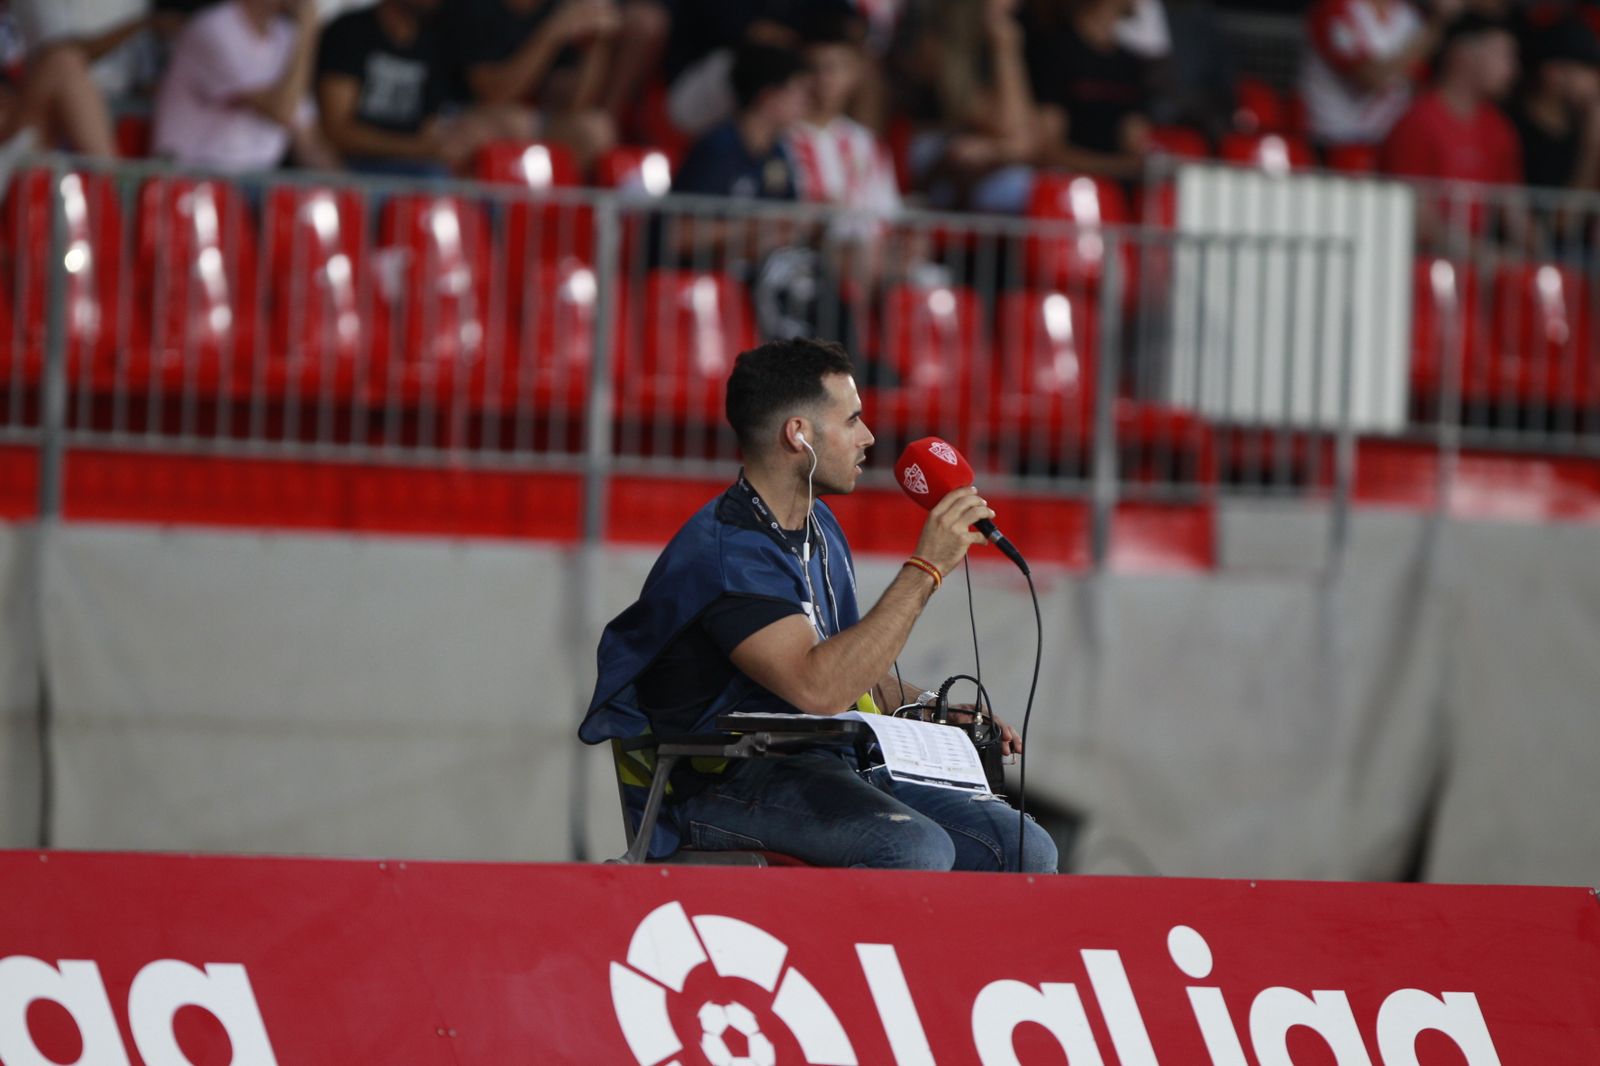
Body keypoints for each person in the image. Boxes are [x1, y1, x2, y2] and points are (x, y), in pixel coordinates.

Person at [581, 337, 1059, 872]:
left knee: (1024, 848)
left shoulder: (820, 526)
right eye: (852, 420)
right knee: (911, 848)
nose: (869, 437)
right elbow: (820, 687)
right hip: (724, 784)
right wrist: (927, 568)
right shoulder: (727, 555)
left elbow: (846, 669)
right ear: (799, 435)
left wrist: (929, 706)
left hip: (824, 766)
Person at [315, 0, 529, 176]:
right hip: (351, 168)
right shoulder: (348, 32)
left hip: (415, 167)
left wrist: (455, 140)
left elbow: (432, 123)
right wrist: (417, 148)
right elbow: (337, 131)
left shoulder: (436, 41)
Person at [1380, 13, 1523, 248]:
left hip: (1474, 264)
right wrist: (1479, 254)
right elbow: (1415, 216)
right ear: (1463, 55)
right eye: (1503, 55)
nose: (1513, 69)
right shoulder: (1418, 121)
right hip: (1421, 259)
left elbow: (1515, 209)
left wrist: (1541, 252)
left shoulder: (1500, 128)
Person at [153, 0, 332, 171]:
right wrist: (308, 31)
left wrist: (351, 190)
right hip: (193, 176)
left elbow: (307, 141)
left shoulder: (285, 36)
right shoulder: (213, 28)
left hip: (255, 178)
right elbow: (281, 111)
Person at [891, 0, 1037, 211]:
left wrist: (1006, 48)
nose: (1014, 5)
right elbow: (1007, 125)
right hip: (931, 154)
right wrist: (1006, 51)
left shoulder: (1003, 39)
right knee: (1017, 187)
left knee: (1028, 184)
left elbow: (1022, 134)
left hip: (990, 150)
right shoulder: (932, 42)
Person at [450, 0, 620, 168]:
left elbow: (576, 101)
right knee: (508, 124)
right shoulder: (476, 7)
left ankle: (562, 194)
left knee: (595, 129)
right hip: (463, 113)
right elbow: (493, 94)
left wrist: (597, 42)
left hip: (534, 118)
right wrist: (553, 30)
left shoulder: (559, 6)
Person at [1300, 0, 1460, 151]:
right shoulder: (1334, 8)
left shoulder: (1409, 16)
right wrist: (1436, 25)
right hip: (1334, 143)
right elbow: (1371, 77)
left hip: (1390, 145)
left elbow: (1423, 87)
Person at [1022, 0, 1153, 181]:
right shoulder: (1052, 51)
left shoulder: (1131, 65)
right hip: (1064, 186)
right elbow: (1047, 150)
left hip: (1118, 194)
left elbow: (1136, 142)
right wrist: (1118, 167)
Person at [1506, 14, 1600, 191]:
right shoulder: (1512, 129)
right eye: (1586, 69)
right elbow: (1558, 218)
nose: (1595, 81)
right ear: (1553, 73)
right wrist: (1592, 145)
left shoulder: (1580, 125)